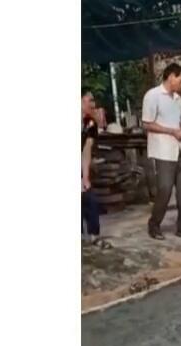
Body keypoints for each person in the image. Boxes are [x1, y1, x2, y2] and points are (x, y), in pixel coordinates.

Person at [142, 63, 181, 241]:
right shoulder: (153, 96)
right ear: (171, 77)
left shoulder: (178, 99)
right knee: (165, 189)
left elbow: (179, 122)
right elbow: (147, 124)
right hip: (163, 151)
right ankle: (154, 224)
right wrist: (172, 131)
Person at [81, 89, 111, 249]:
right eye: (89, 100)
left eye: (93, 101)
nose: (93, 104)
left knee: (89, 197)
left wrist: (85, 176)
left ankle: (94, 236)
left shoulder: (90, 124)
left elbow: (86, 150)